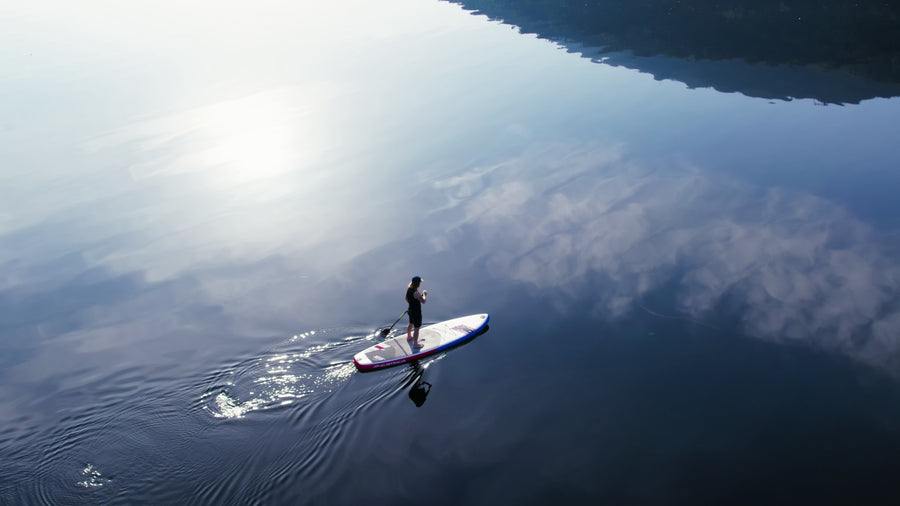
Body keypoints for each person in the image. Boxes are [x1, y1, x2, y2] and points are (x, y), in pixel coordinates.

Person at [405, 275, 427, 349]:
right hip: (416, 312)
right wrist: (424, 294)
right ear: (418, 283)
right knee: (417, 328)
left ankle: (409, 336)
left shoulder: (409, 289)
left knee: (411, 323)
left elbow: (406, 298)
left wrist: (411, 304)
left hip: (410, 310)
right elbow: (423, 301)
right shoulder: (416, 293)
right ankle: (415, 344)